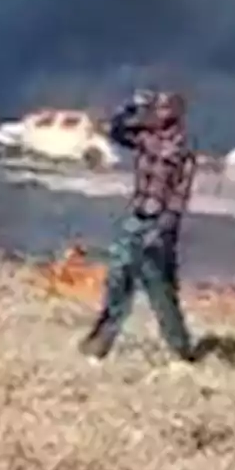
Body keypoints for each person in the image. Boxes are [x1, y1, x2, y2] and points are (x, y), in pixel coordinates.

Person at [78, 89, 201, 364]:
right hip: (136, 218)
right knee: (118, 279)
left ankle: (181, 353)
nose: (159, 112)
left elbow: (179, 196)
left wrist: (162, 231)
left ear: (177, 113)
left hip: (159, 226)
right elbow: (115, 131)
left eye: (165, 107)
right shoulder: (146, 138)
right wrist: (130, 105)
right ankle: (98, 347)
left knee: (160, 291)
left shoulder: (183, 149)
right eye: (156, 107)